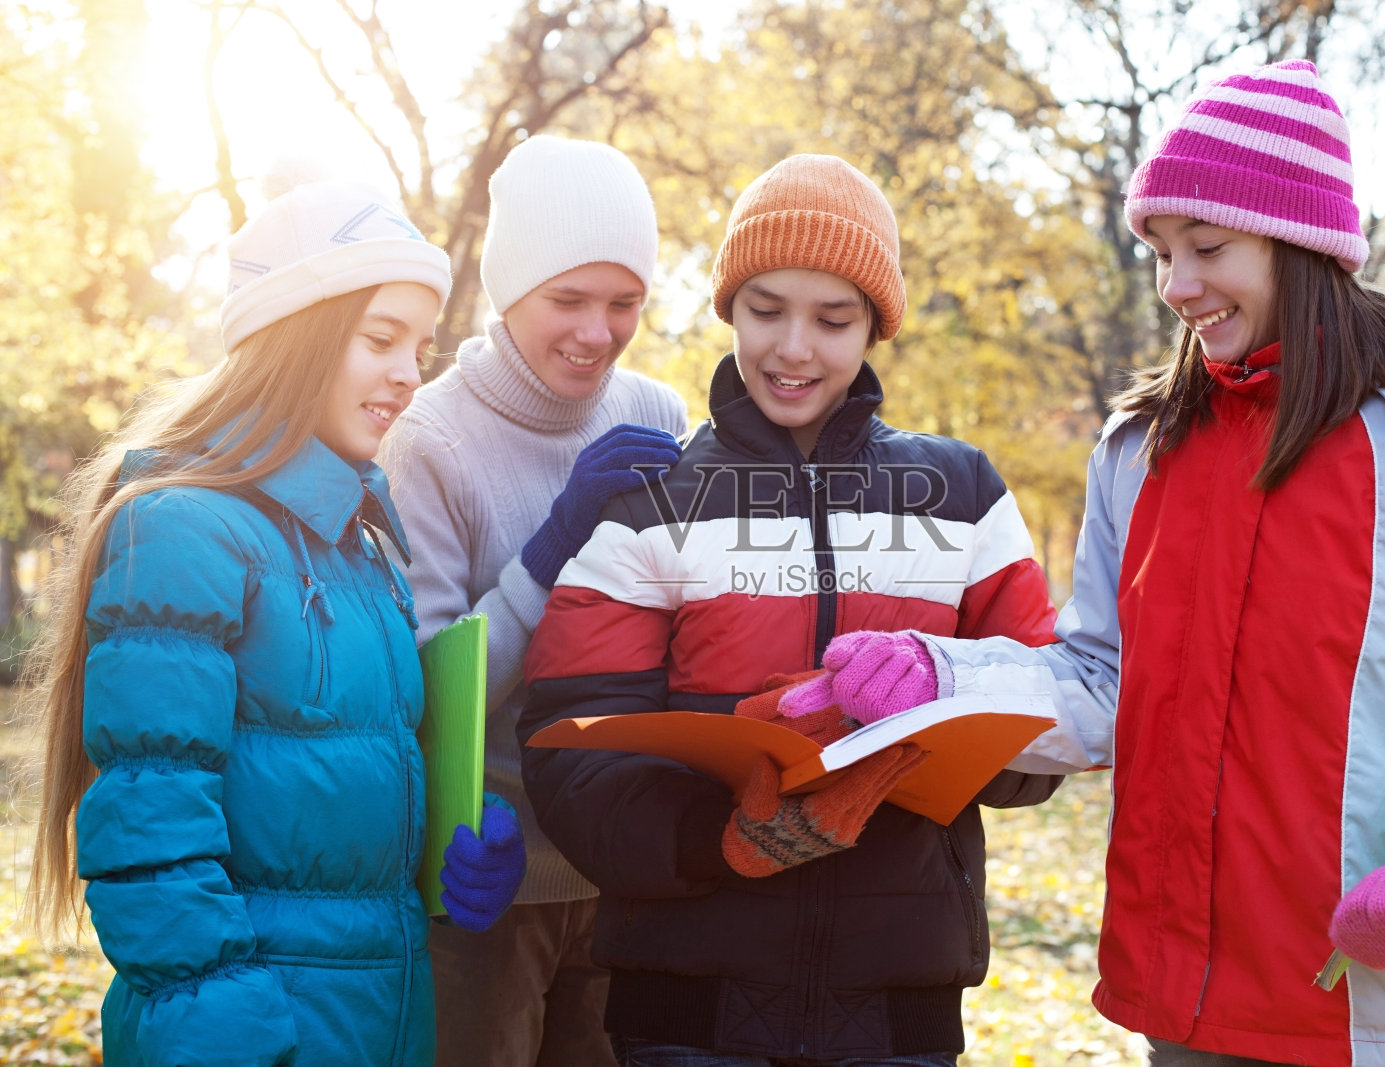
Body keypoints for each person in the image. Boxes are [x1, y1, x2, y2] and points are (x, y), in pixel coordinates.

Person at [802, 60, 1385, 1067]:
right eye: (1161, 251)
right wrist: (941, 677)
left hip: (1364, 1012)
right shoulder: (1139, 449)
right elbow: (1101, 683)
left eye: (1206, 247)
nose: (1176, 285)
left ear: (1300, 242)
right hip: (1180, 1007)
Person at [516, 153, 1064, 1066]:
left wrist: (937, 693)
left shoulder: (963, 494)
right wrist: (720, 839)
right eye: (766, 310)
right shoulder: (653, 501)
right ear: (729, 307)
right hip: (684, 1009)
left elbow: (1049, 724)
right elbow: (568, 747)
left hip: (899, 1008)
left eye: (833, 318)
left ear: (875, 327)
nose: (794, 348)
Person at [23, 178, 526, 1066]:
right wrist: (248, 1046)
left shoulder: (367, 551)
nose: (411, 375)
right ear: (296, 336)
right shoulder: (180, 529)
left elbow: (333, 769)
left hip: (382, 1024)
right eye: (382, 339)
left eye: (422, 346)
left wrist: (453, 833)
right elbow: (151, 842)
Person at [385, 134, 688, 1067]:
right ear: (509, 289)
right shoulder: (427, 439)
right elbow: (430, 688)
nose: (597, 332)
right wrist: (555, 546)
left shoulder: (658, 415)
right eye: (568, 299)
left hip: (626, 867)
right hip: (486, 882)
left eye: (624, 302)